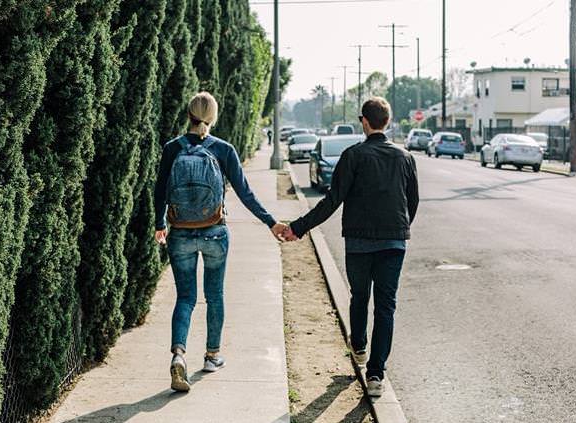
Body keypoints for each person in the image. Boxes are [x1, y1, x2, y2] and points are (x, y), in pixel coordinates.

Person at [283, 97, 419, 397]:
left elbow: (332, 201)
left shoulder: (353, 156)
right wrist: (398, 228)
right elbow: (413, 202)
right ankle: (375, 376)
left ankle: (358, 347)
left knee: (359, 297)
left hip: (358, 243)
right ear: (388, 120)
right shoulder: (405, 158)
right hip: (394, 243)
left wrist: (298, 227)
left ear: (364, 121)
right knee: (386, 307)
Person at [154, 92, 288, 392]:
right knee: (214, 295)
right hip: (215, 232)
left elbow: (160, 191)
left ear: (188, 114)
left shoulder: (172, 148)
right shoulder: (224, 149)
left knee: (185, 298)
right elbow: (245, 192)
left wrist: (159, 224)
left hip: (181, 233)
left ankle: (178, 355)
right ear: (213, 117)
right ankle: (212, 355)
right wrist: (270, 222)